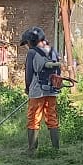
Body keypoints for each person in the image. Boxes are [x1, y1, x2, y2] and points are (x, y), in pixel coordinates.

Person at [23, 26, 62, 154]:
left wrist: (28, 88)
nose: (27, 46)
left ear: (31, 41)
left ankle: (32, 149)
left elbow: (29, 73)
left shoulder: (32, 53)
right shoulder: (53, 51)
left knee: (34, 117)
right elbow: (58, 71)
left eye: (27, 43)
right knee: (52, 116)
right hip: (52, 89)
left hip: (37, 90)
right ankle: (56, 149)